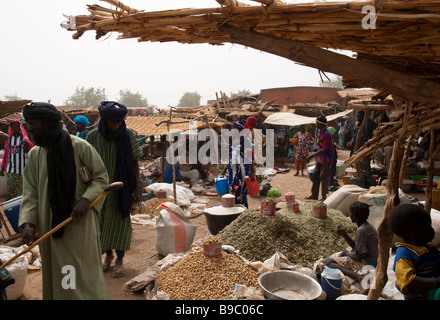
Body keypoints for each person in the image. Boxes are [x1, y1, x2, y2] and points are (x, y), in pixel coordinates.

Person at [19, 102, 110, 300]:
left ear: (48, 123)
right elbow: (30, 192)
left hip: (77, 224)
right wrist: (28, 221)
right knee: (59, 274)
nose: (30, 128)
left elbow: (101, 178)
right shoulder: (35, 155)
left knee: (77, 272)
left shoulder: (79, 146)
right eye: (28, 124)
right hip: (49, 226)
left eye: (34, 123)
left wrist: (86, 200)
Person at [86, 101, 143, 278]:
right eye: (113, 122)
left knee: (120, 223)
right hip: (99, 189)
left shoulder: (127, 135)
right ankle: (108, 254)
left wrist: (136, 185)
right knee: (101, 224)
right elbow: (85, 161)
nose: (117, 125)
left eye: (119, 122)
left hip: (121, 188)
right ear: (105, 121)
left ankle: (119, 259)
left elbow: (134, 161)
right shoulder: (93, 137)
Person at [388, 203, 440, 300]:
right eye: (428, 226)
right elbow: (407, 281)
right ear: (414, 231)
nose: (431, 230)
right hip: (426, 293)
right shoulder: (404, 254)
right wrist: (436, 281)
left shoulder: (427, 248)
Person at [322, 201, 378, 283]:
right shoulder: (367, 226)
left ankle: (357, 277)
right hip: (371, 258)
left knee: (327, 262)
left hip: (367, 263)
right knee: (346, 245)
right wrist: (344, 234)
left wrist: (346, 253)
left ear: (355, 216)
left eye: (350, 213)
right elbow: (357, 247)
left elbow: (359, 256)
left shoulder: (362, 230)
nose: (349, 215)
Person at [0, 120, 34, 200]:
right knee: (11, 188)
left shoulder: (24, 139)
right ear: (11, 128)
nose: (15, 128)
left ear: (19, 127)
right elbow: (6, 154)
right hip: (11, 168)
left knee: (22, 190)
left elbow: (31, 151)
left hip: (22, 168)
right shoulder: (9, 139)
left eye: (17, 126)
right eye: (13, 126)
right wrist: (2, 167)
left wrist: (27, 146)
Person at [305, 115, 334, 201]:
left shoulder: (327, 134)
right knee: (315, 176)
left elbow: (324, 149)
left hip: (326, 159)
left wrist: (311, 155)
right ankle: (314, 195)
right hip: (320, 158)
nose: (316, 124)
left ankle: (325, 196)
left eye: (317, 123)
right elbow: (319, 146)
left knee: (323, 178)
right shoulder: (319, 132)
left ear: (321, 124)